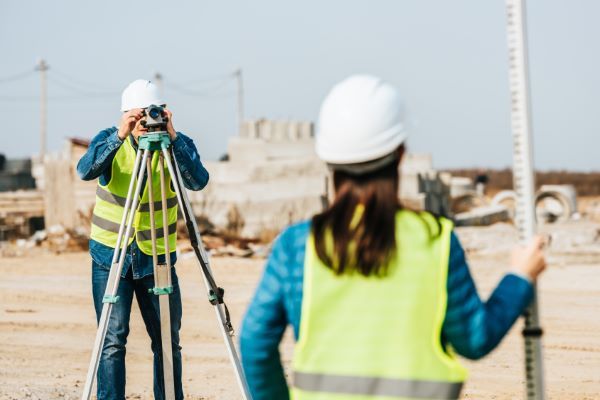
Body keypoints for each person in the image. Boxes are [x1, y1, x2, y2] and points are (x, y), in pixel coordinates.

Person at [239, 75, 546, 400]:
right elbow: (474, 338)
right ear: (400, 155)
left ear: (328, 159)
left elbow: (255, 341)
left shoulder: (298, 245)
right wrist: (519, 277)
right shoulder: (435, 240)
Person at [77, 79, 209, 400]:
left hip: (157, 259)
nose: (145, 123)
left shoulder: (174, 145)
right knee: (112, 342)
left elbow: (198, 181)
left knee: (166, 340)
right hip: (112, 257)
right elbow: (85, 170)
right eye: (138, 117)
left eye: (152, 115)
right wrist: (120, 134)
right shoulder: (110, 140)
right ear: (125, 116)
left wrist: (173, 137)